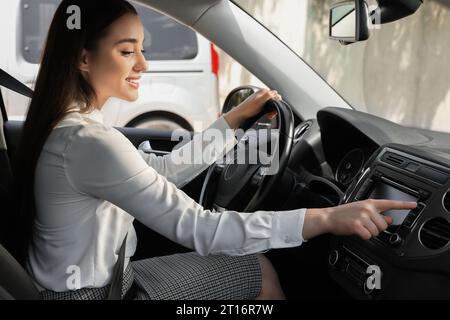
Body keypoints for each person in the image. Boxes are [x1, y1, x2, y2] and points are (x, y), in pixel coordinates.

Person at [9, 0, 417, 300]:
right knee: (260, 271)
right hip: (98, 294)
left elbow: (163, 174)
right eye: (127, 51)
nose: (143, 65)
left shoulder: (69, 128)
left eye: (143, 49)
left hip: (86, 287)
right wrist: (326, 216)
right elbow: (201, 229)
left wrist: (233, 121)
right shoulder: (89, 142)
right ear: (84, 58)